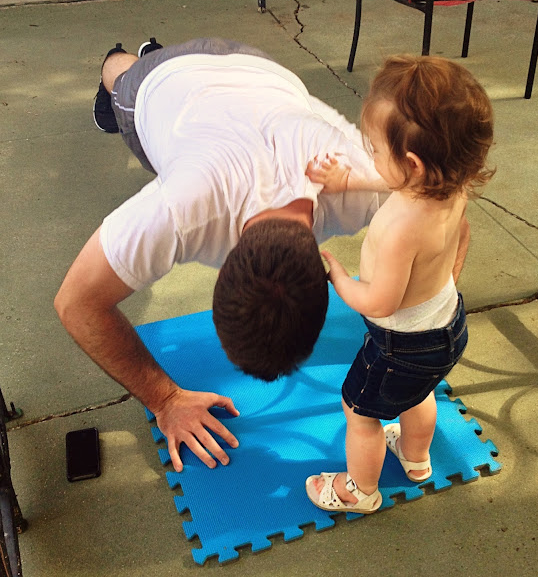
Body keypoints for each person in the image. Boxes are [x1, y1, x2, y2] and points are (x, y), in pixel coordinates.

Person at [54, 36, 404, 473]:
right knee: (120, 78)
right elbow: (75, 304)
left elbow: (450, 208)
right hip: (163, 83)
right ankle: (124, 58)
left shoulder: (363, 183)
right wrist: (165, 399)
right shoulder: (183, 210)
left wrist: (420, 330)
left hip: (258, 68)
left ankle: (147, 55)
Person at [304, 54, 494, 513]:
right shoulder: (450, 187)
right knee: (419, 392)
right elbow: (456, 228)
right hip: (448, 326)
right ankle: (415, 457)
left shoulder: (399, 230)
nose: (371, 157)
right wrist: (348, 180)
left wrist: (338, 278)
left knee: (359, 412)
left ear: (411, 163)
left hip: (399, 346)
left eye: (374, 150)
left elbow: (380, 303)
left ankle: (359, 491)